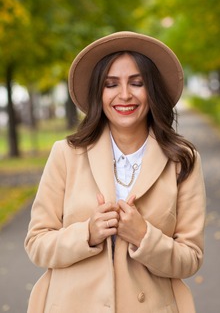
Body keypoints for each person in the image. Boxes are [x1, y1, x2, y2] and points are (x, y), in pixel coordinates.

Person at [25, 31, 206, 313]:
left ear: (152, 90)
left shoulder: (182, 160)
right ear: (100, 92)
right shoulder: (66, 154)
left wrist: (145, 236)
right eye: (111, 84)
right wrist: (87, 233)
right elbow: (37, 244)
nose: (124, 95)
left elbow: (190, 258)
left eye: (137, 83)